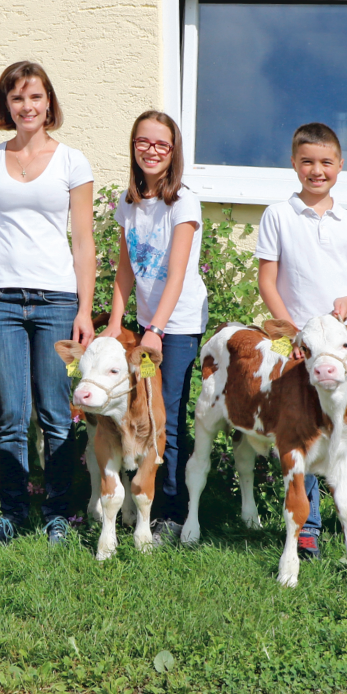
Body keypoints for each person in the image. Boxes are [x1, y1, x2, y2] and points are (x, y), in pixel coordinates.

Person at [0, 61, 95, 549]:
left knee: (56, 413)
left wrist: (84, 310)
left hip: (57, 299)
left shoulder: (71, 162)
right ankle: (11, 514)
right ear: (7, 105)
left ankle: (57, 515)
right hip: (2, 299)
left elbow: (83, 242)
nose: (27, 106)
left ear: (49, 104)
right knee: (12, 414)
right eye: (17, 98)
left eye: (35, 97)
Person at [256, 122, 347, 558]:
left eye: (326, 162)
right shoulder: (278, 216)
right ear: (294, 164)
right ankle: (306, 525)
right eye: (307, 162)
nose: (316, 170)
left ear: (340, 166)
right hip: (304, 352)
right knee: (303, 435)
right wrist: (290, 331)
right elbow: (267, 281)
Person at [100, 110, 208, 545]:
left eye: (162, 144)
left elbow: (177, 273)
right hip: (147, 324)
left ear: (173, 152)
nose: (152, 150)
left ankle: (170, 513)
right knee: (139, 410)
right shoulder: (129, 203)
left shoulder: (183, 201)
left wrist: (157, 330)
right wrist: (113, 324)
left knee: (165, 415)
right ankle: (142, 500)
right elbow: (125, 269)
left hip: (176, 326)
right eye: (144, 142)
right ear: (133, 146)